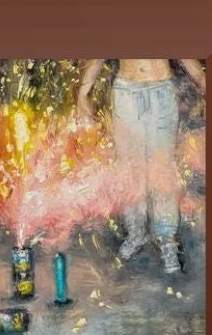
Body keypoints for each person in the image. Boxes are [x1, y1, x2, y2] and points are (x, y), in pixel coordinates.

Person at [76, 57, 204, 275]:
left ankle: (166, 239)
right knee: (130, 169)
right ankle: (136, 232)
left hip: (162, 91)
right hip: (126, 92)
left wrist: (203, 83)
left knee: (161, 168)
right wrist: (82, 94)